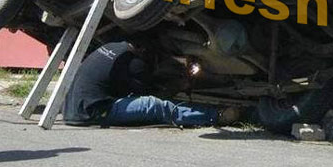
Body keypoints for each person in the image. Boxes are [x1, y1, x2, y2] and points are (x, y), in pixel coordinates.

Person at [63, 41, 237, 127]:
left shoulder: (113, 47)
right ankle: (216, 116)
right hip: (93, 112)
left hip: (73, 109)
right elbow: (145, 93)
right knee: (153, 105)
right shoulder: (133, 62)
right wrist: (176, 86)